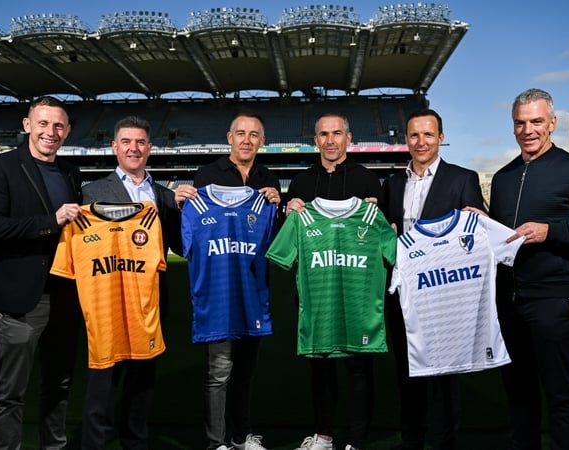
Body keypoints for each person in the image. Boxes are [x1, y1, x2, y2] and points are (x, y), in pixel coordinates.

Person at [486, 88, 569, 450]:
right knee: (519, 393)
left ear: (552, 124)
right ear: (513, 127)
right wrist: (482, 223)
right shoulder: (504, 177)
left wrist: (551, 231)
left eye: (536, 121)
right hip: (509, 303)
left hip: (555, 301)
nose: (528, 129)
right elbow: (503, 238)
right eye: (520, 122)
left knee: (560, 394)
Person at [0, 95, 83, 449]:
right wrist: (49, 221)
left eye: (57, 126)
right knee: (11, 392)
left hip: (66, 297)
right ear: (27, 125)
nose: (49, 131)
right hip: (21, 299)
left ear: (66, 132)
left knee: (59, 385)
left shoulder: (70, 173)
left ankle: (54, 446)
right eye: (43, 123)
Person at [380, 108, 486, 450]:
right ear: (405, 140)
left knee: (444, 376)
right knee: (407, 372)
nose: (421, 141)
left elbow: (476, 234)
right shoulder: (392, 183)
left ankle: (444, 442)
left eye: (428, 134)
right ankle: (411, 438)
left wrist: (481, 220)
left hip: (443, 293)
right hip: (402, 293)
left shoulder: (462, 178)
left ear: (441, 137)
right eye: (414, 135)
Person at [174, 112, 281, 450]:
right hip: (219, 295)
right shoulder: (206, 176)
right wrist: (180, 206)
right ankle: (215, 441)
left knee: (245, 372)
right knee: (219, 372)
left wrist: (277, 208)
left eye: (254, 134)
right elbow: (187, 243)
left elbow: (274, 242)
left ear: (262, 141)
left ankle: (241, 435)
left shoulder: (269, 181)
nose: (247, 139)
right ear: (229, 137)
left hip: (252, 294)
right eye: (240, 133)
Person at [76, 115, 182, 449]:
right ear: (114, 147)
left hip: (149, 301)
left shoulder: (165, 196)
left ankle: (134, 440)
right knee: (103, 379)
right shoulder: (91, 192)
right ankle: (94, 442)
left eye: (139, 142)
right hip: (107, 298)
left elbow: (179, 244)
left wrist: (189, 208)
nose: (133, 149)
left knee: (142, 379)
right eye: (126, 142)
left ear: (150, 148)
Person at [283, 113, 383, 450]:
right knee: (320, 369)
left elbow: (383, 242)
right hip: (318, 293)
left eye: (336, 133)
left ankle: (356, 440)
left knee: (359, 368)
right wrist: (288, 210)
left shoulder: (369, 182)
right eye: (323, 134)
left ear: (348, 138)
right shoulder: (299, 184)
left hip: (356, 295)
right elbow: (287, 247)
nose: (330, 140)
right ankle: (324, 436)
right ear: (315, 140)